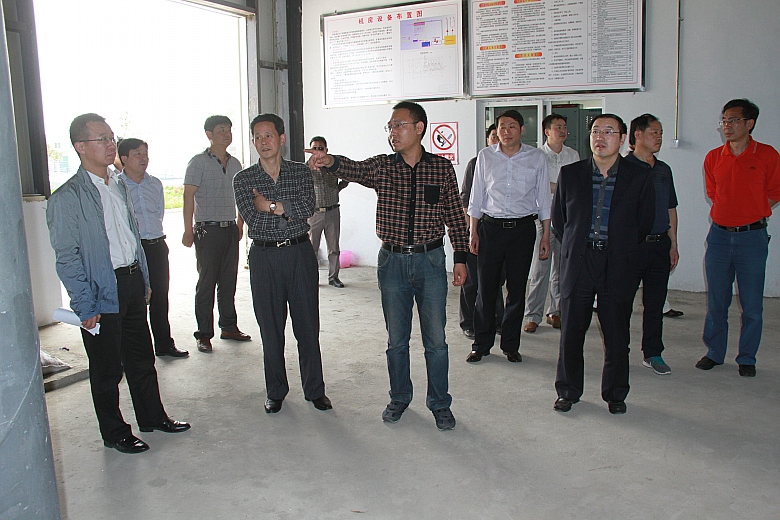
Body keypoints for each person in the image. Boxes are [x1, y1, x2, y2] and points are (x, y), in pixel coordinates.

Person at [307, 101, 468, 431]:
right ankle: (400, 397)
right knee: (397, 340)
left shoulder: (441, 169)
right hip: (392, 261)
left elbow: (454, 215)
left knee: (436, 340)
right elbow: (354, 169)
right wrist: (330, 161)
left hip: (430, 261)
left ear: (419, 128)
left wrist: (462, 258)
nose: (392, 132)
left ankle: (439, 403)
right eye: (390, 127)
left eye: (399, 125)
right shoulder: (383, 166)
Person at [47, 113, 189, 454]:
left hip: (131, 281)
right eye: (102, 139)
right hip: (100, 290)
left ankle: (153, 416)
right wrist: (84, 304)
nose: (111, 144)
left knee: (142, 357)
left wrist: (144, 279)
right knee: (107, 368)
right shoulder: (68, 197)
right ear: (81, 147)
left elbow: (131, 237)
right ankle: (114, 432)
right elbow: (67, 257)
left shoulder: (118, 184)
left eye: (111, 137)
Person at [552, 113, 654, 415]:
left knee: (617, 333)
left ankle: (615, 393)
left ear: (622, 139)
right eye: (596, 131)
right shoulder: (571, 174)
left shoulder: (639, 176)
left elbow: (645, 222)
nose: (600, 137)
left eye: (609, 131)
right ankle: (568, 391)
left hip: (618, 262)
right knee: (571, 331)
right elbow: (560, 220)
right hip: (579, 261)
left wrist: (619, 247)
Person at [233, 114, 331, 414]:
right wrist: (284, 210)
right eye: (258, 137)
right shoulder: (243, 179)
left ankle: (315, 389)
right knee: (271, 328)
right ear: (253, 141)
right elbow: (252, 218)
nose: (264, 142)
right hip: (263, 257)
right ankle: (275, 390)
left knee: (307, 326)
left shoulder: (300, 172)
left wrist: (270, 206)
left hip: (299, 254)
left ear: (282, 138)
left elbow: (307, 208)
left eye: (269, 135)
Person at [697, 99, 780, 377]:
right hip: (719, 237)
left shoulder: (767, 155)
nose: (727, 125)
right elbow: (714, 193)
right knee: (717, 301)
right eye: (724, 120)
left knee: (752, 304)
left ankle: (747, 357)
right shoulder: (713, 157)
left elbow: (776, 191)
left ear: (749, 123)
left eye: (733, 120)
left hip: (752, 238)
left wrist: (753, 211)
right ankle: (714, 352)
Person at [466, 109, 551, 363]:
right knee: (486, 289)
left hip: (522, 231)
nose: (506, 131)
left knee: (516, 290)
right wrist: (473, 231)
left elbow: (544, 199)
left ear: (522, 130)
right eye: (502, 126)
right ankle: (481, 344)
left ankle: (511, 344)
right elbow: (476, 198)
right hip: (490, 229)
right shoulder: (485, 156)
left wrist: (546, 235)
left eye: (512, 126)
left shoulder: (536, 157)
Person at [183, 115, 251, 353]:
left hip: (229, 228)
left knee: (229, 280)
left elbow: (243, 197)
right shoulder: (198, 163)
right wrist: (188, 229)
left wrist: (240, 224)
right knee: (207, 282)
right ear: (209, 134)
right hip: (207, 230)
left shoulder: (235, 164)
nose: (227, 134)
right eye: (221, 130)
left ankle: (229, 327)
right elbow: (188, 197)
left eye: (229, 130)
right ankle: (204, 334)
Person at [119, 138, 188, 358]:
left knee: (160, 297)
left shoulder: (154, 183)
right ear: (124, 159)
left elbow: (159, 213)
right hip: (133, 250)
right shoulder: (117, 186)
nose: (144, 158)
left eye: (145, 153)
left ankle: (164, 344)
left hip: (157, 246)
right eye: (137, 154)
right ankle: (137, 352)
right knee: (136, 300)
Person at [625, 114, 678, 375]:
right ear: (638, 135)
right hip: (631, 247)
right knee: (621, 303)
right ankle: (618, 352)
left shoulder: (663, 170)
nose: (659, 137)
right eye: (654, 132)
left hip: (659, 245)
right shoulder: (622, 168)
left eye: (660, 133)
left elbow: (671, 208)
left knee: (655, 304)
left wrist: (673, 244)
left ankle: (653, 353)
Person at [524, 114, 580, 333]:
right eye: (558, 127)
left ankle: (555, 312)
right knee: (540, 269)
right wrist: (560, 186)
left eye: (564, 127)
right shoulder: (536, 156)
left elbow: (577, 185)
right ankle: (533, 315)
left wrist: (556, 187)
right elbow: (534, 184)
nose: (563, 130)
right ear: (547, 131)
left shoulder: (572, 155)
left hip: (567, 219)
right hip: (542, 219)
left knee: (562, 269)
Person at [459, 124, 504, 339]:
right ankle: (469, 322)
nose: (497, 141)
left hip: (498, 230)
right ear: (487, 140)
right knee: (472, 280)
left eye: (499, 137)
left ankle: (496, 319)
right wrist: (471, 229)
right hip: (476, 227)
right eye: (493, 136)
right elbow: (466, 198)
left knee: (495, 278)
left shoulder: (509, 164)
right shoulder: (476, 163)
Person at [307, 136, 349, 288]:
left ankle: (333, 277)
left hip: (332, 212)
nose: (318, 151)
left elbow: (347, 177)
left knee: (334, 248)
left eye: (321, 148)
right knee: (312, 248)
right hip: (315, 214)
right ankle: (312, 279)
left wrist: (336, 190)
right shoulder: (306, 168)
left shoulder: (333, 166)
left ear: (326, 150)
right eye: (315, 148)